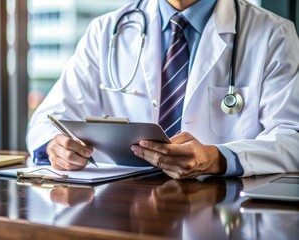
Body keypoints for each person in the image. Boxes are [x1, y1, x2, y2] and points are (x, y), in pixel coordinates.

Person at [26, 0, 299, 179]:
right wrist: (56, 146)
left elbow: (291, 138)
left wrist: (217, 158)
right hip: (123, 206)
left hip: (223, 209)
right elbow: (47, 119)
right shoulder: (106, 31)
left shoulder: (272, 34)